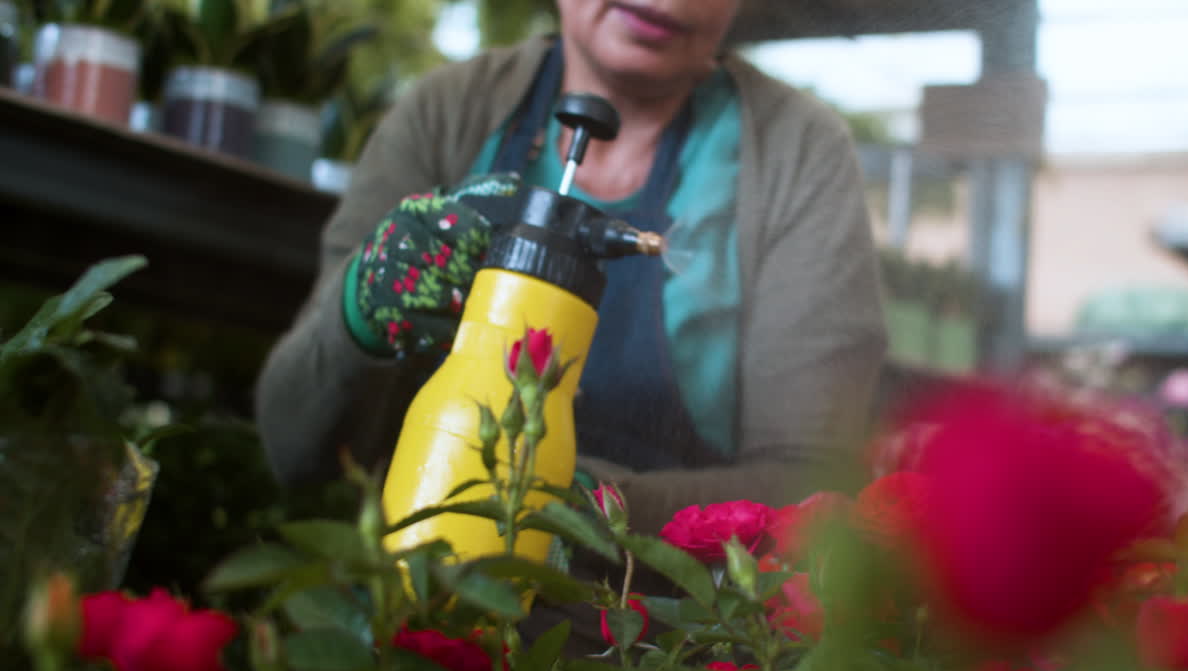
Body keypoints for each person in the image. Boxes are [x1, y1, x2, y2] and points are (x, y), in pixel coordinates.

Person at [255, 0, 886, 546]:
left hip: (644, 640)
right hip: (405, 611)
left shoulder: (797, 155)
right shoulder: (447, 112)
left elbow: (808, 484)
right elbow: (295, 450)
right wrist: (359, 319)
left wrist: (574, 509)